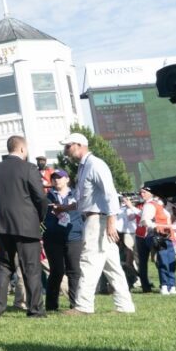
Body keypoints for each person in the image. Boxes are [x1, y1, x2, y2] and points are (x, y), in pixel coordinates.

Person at [60, 133, 136, 315]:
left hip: (98, 220)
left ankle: (84, 306)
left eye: (68, 146)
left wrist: (111, 221)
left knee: (89, 261)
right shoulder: (84, 167)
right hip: (98, 219)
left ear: (79, 145)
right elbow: (87, 199)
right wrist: (65, 208)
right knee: (113, 266)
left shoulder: (95, 165)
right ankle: (125, 306)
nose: (65, 151)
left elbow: (110, 193)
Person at [0, 136, 49, 318]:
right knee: (31, 267)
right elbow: (41, 197)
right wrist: (40, 217)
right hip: (27, 225)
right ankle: (35, 308)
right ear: (22, 149)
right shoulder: (29, 168)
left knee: (4, 266)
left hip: (2, 225)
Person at [42, 171, 83, 311]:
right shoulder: (47, 197)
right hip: (53, 238)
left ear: (67, 179)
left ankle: (76, 304)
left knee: (74, 271)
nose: (56, 180)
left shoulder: (77, 195)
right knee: (56, 271)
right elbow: (40, 216)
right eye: (54, 178)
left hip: (74, 236)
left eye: (59, 177)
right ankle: (51, 306)